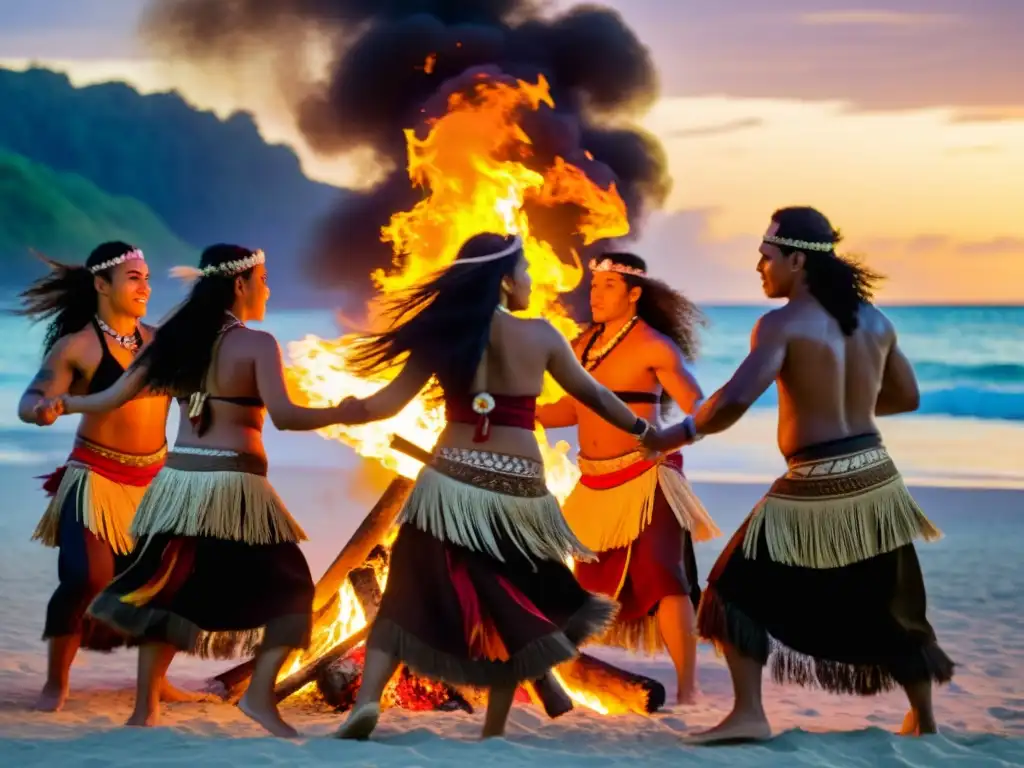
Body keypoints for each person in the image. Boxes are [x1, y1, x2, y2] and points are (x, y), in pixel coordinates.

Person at [328, 232, 659, 741]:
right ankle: (508, 712)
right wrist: (645, 432)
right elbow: (595, 395)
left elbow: (385, 406)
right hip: (519, 488)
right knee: (516, 597)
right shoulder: (542, 335)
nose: (530, 281)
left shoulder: (444, 334)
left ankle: (367, 703)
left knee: (405, 596)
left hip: (451, 478)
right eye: (524, 272)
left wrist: (333, 413)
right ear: (505, 281)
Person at [649, 206, 954, 743]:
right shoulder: (875, 320)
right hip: (877, 477)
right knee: (895, 602)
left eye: (766, 257)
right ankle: (925, 720)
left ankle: (748, 714)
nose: (758, 268)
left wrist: (673, 435)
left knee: (729, 589)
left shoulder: (780, 323)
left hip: (815, 480)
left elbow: (734, 400)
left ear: (795, 259)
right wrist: (848, 405)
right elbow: (906, 397)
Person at [44, 244, 350, 737]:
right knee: (294, 588)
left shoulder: (178, 341)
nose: (267, 289)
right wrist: (347, 412)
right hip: (234, 487)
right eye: (263, 279)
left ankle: (146, 709)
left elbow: (112, 395)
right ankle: (258, 697)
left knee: (172, 588)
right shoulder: (256, 344)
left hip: (177, 484)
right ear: (239, 285)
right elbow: (289, 418)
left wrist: (62, 403)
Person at [13, 242, 196, 712]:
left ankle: (157, 681)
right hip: (95, 476)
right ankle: (56, 681)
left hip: (155, 482)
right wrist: (42, 407)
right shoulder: (77, 346)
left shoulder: (161, 344)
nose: (145, 287)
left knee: (176, 582)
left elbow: (195, 398)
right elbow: (32, 397)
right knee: (85, 578)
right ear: (102, 284)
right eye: (134, 277)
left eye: (148, 277)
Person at [536, 252, 720, 704]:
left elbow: (698, 407)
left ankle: (689, 688)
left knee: (664, 575)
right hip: (595, 483)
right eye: (594, 287)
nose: (595, 295)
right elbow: (569, 410)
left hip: (647, 478)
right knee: (580, 587)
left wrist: (675, 437)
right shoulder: (580, 347)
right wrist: (519, 411)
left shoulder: (655, 346)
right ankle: (560, 673)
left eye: (608, 288)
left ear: (634, 294)